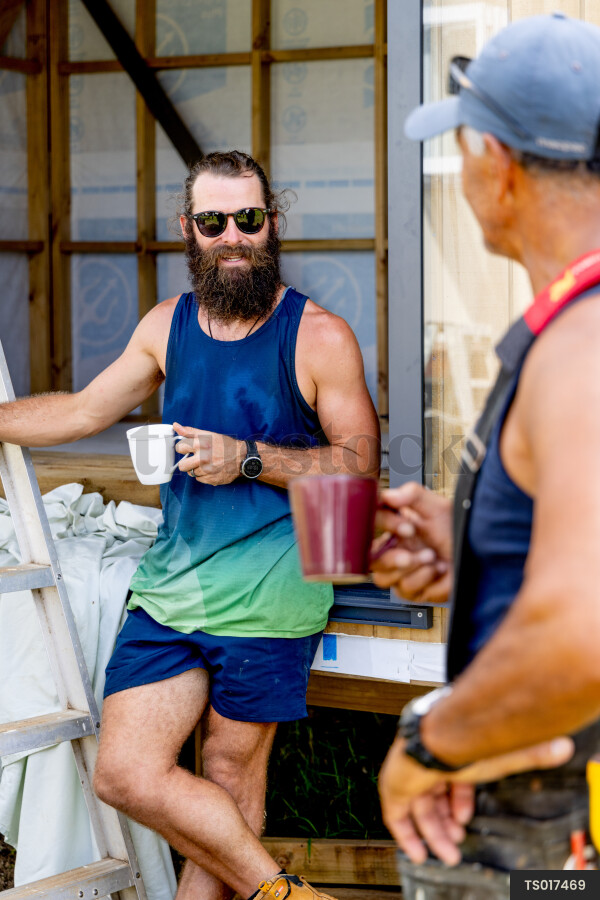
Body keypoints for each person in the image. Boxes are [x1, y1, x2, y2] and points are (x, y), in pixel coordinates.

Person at [0, 150, 379, 900]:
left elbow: (360, 469)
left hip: (272, 594)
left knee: (232, 777)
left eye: (248, 218)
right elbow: (81, 412)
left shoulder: (319, 336)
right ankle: (285, 893)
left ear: (273, 223)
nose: (232, 236)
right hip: (171, 588)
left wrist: (246, 459)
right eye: (214, 221)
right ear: (189, 229)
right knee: (125, 774)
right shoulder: (165, 326)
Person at [372, 12, 600, 896]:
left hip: (548, 841)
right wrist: (478, 536)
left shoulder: (581, 347)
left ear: (495, 162)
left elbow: (582, 634)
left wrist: (430, 741)